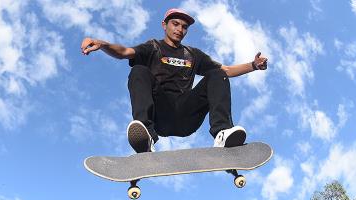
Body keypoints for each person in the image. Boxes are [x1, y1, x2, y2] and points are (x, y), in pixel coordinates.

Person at [81, 7, 268, 153]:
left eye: (184, 27)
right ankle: (145, 136)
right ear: (165, 25)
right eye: (175, 24)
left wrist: (253, 65)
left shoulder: (193, 54)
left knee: (218, 74)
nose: (180, 29)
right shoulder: (153, 47)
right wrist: (103, 44)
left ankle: (222, 132)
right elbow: (124, 53)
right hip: (160, 113)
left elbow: (226, 70)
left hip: (187, 115)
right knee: (138, 70)